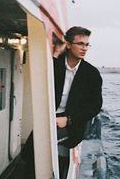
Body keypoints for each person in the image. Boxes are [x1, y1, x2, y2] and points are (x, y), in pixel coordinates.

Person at [22, 26, 103, 179]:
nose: (84, 48)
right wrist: (55, 54)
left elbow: (95, 106)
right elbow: (42, 79)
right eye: (80, 44)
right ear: (68, 44)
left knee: (56, 160)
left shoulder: (91, 74)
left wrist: (68, 119)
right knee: (30, 154)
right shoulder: (55, 64)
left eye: (87, 44)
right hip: (49, 118)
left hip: (72, 123)